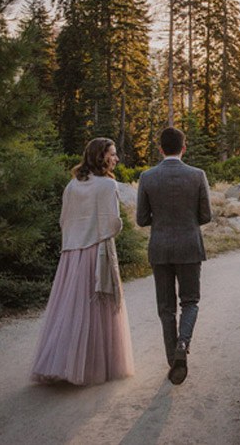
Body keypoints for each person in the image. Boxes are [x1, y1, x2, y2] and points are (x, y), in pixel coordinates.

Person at [30, 138, 135, 385]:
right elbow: (112, 223)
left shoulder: (72, 185)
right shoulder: (108, 186)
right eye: (113, 154)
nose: (116, 159)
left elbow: (63, 220)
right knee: (97, 307)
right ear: (101, 157)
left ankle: (60, 362)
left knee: (69, 308)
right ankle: (92, 366)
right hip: (96, 250)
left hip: (71, 253)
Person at [136, 127, 212, 385]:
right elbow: (206, 216)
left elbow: (141, 219)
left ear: (160, 149)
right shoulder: (198, 175)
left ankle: (173, 359)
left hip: (160, 248)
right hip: (190, 247)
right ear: (184, 147)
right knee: (190, 301)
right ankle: (183, 343)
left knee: (166, 307)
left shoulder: (147, 177)